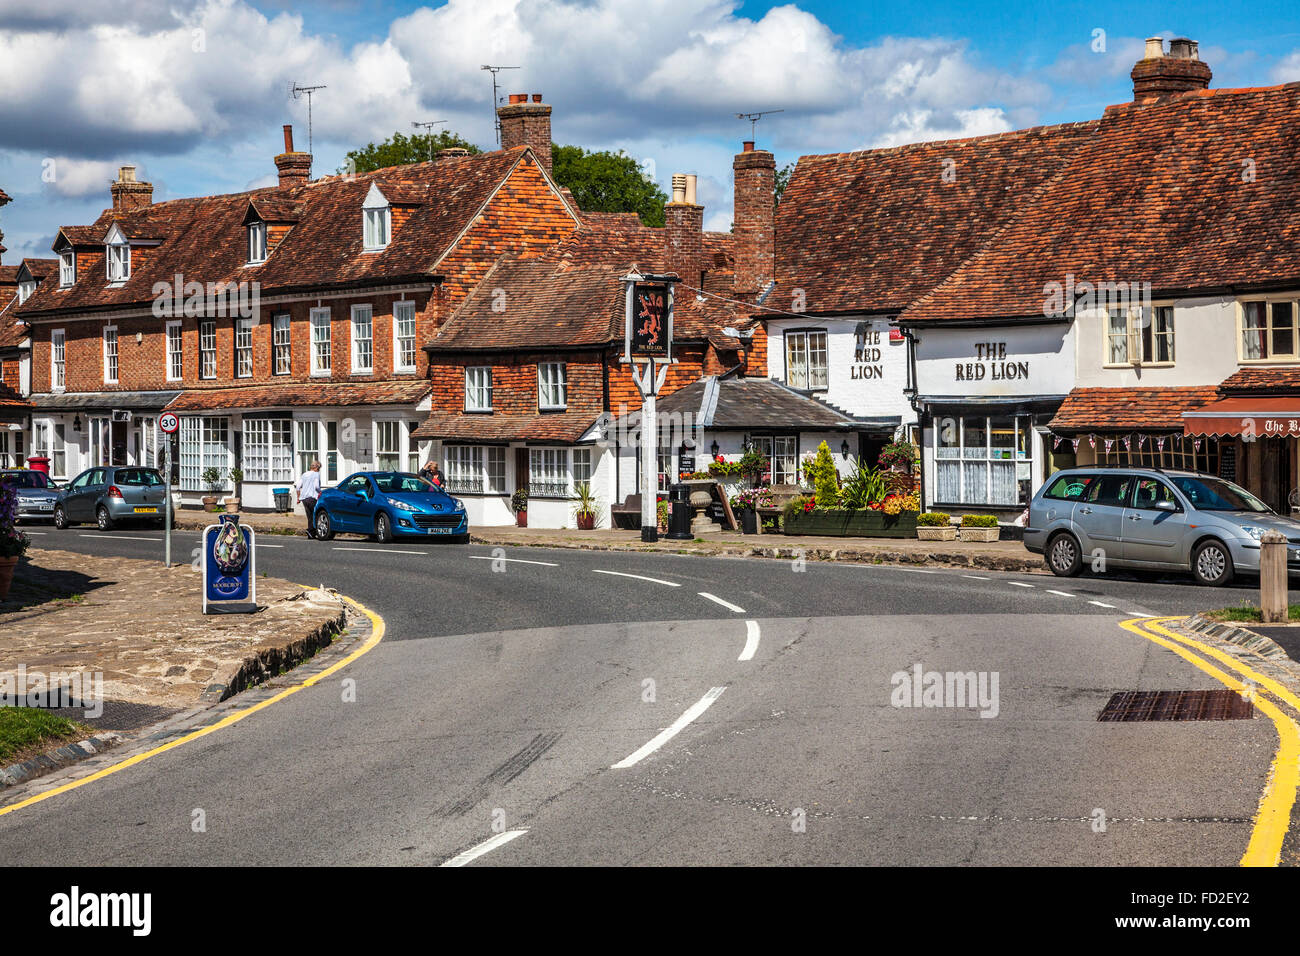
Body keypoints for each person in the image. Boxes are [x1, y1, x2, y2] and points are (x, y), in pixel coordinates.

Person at [296, 460, 323, 538]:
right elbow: (316, 486)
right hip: (312, 497)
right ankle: (311, 531)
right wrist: (321, 492)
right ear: (317, 468)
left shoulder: (304, 474)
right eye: (319, 468)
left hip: (304, 499)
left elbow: (298, 487)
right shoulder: (316, 474)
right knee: (315, 515)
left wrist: (298, 498)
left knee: (309, 516)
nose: (319, 470)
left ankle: (311, 533)